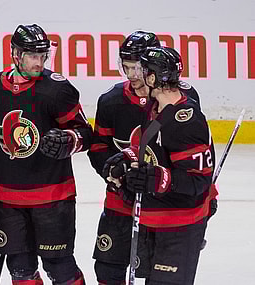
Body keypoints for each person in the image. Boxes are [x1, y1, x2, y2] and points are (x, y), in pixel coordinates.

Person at [87, 31, 204, 285]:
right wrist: (117, 175)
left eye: (138, 67)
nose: (132, 75)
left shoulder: (176, 101)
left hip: (163, 207)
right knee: (107, 271)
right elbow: (100, 149)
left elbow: (189, 163)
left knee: (158, 274)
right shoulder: (111, 101)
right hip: (121, 201)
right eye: (126, 67)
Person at [0, 24, 92, 284]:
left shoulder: (57, 89)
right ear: (16, 55)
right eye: (33, 56)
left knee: (59, 266)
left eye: (43, 56)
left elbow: (86, 133)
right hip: (7, 198)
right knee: (19, 268)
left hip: (52, 196)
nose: (39, 62)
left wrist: (70, 139)